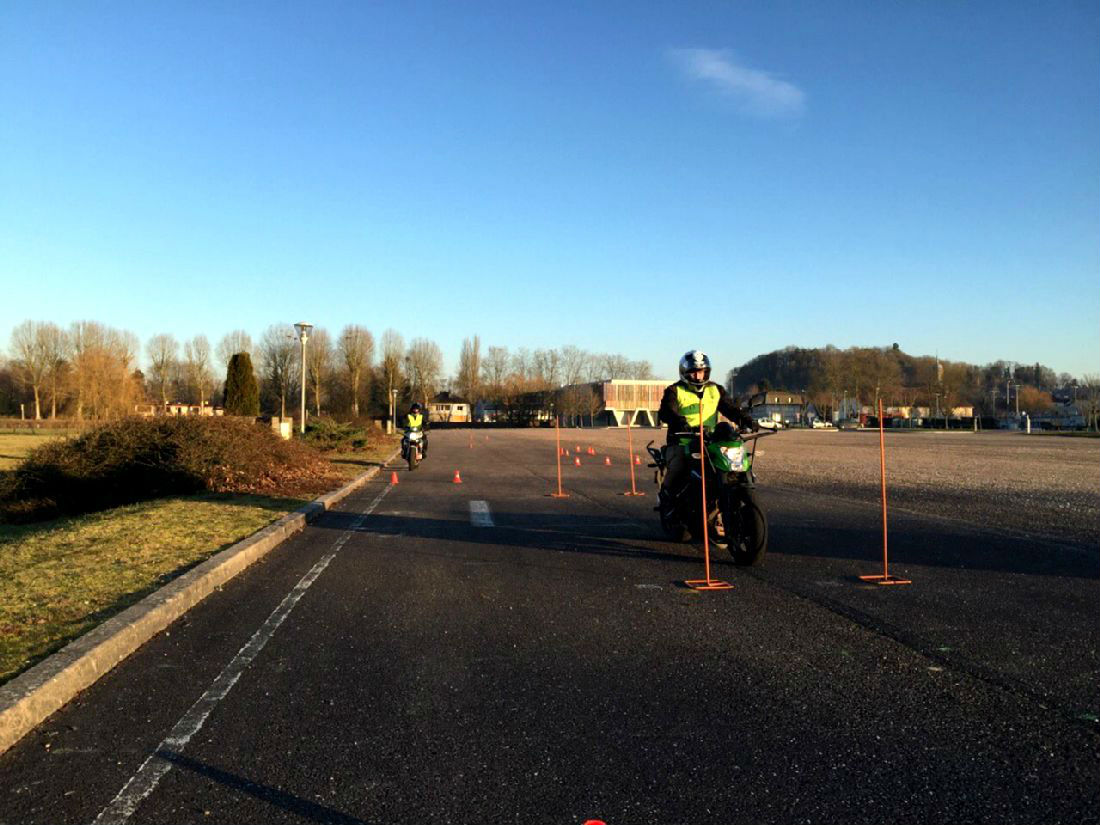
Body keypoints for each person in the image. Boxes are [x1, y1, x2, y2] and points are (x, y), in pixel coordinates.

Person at [657, 350, 755, 507]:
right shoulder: (674, 391)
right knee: (678, 465)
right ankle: (666, 496)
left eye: (702, 372)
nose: (698, 376)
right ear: (684, 373)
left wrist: (747, 421)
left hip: (710, 441)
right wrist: (679, 422)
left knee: (734, 463)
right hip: (682, 442)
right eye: (694, 372)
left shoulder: (716, 390)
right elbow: (666, 411)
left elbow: (731, 409)